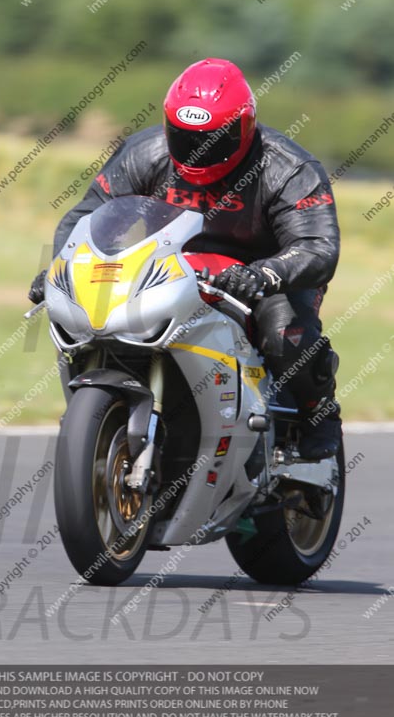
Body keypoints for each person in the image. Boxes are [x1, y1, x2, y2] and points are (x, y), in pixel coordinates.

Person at [29, 58, 341, 460]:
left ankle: (319, 412)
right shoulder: (144, 153)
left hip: (265, 272)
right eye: (185, 137)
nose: (198, 150)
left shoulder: (289, 169)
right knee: (92, 317)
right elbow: (88, 215)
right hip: (173, 264)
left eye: (215, 139)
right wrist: (62, 268)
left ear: (246, 127)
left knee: (283, 332)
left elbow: (317, 247)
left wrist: (265, 274)